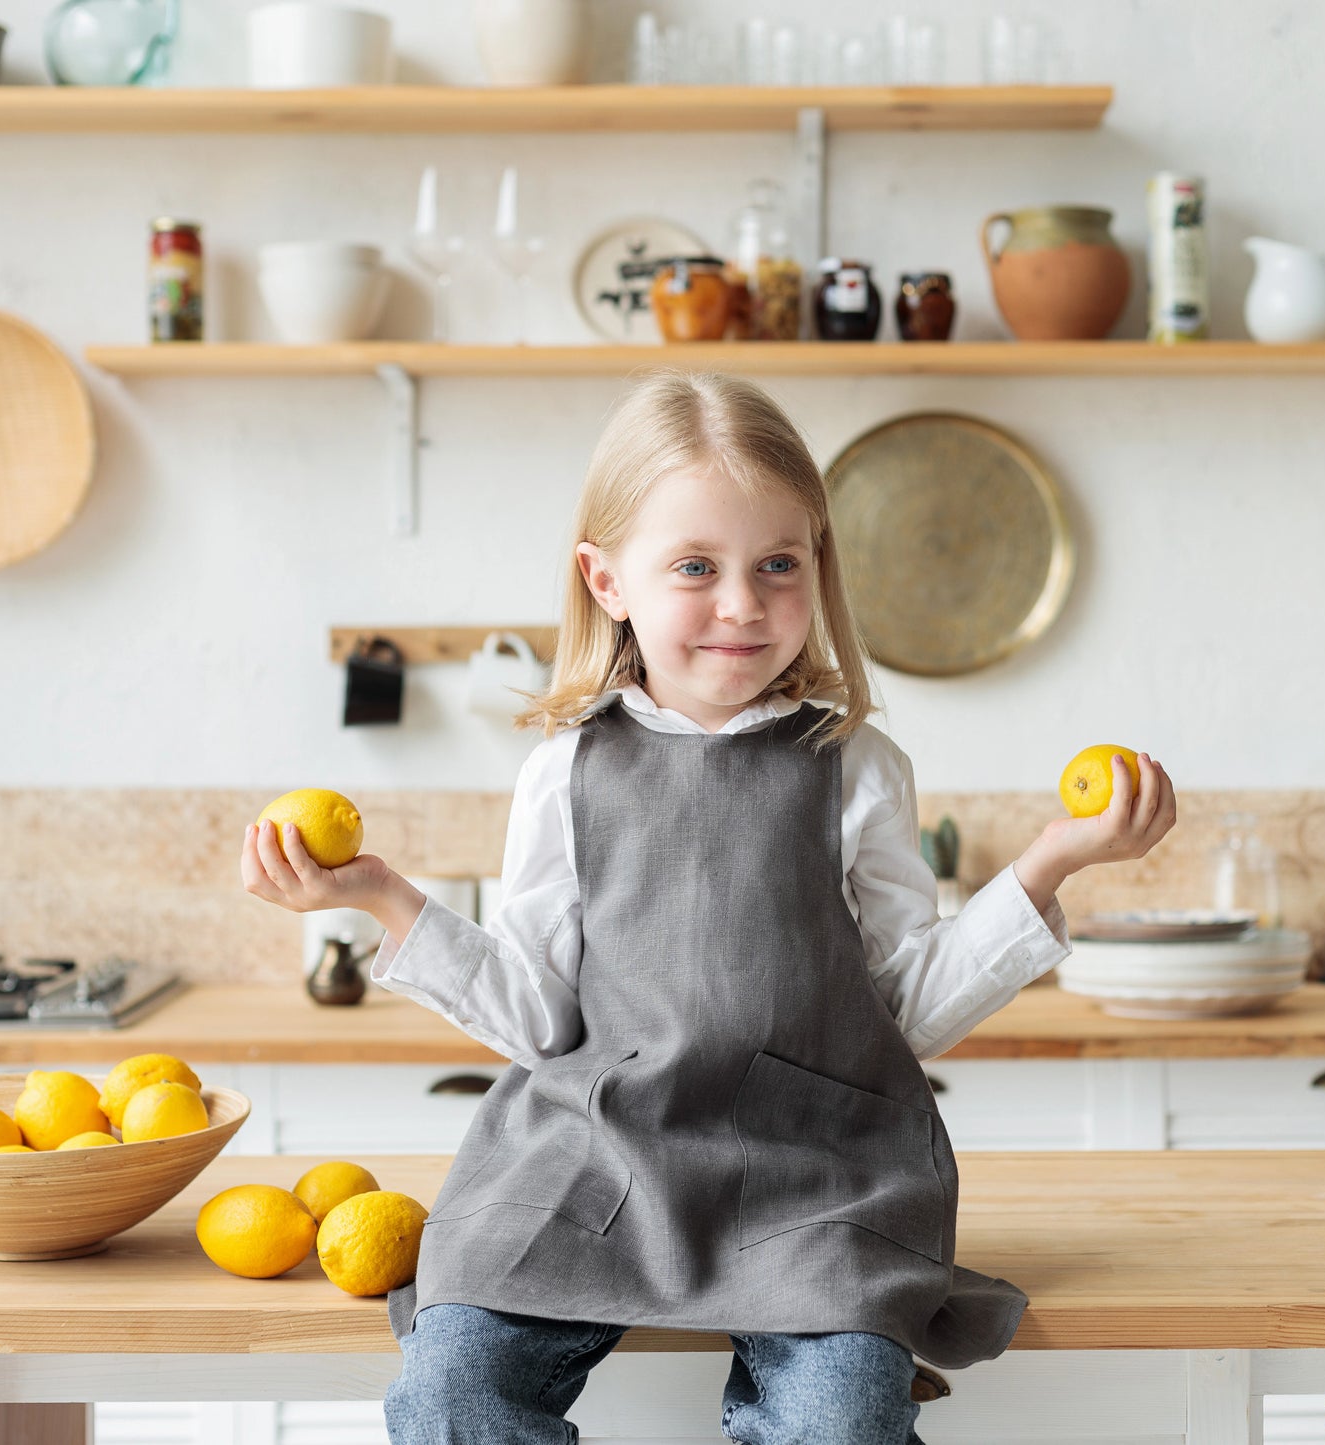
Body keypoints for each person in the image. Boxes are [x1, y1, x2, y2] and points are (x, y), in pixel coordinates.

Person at [242, 370, 1176, 1445]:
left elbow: (901, 1012)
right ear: (606, 579)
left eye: (778, 564)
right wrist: (375, 893)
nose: (742, 602)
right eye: (694, 565)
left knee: (841, 1421)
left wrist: (1048, 865)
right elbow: (540, 1018)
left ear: (816, 570)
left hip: (817, 1172)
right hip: (591, 1156)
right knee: (454, 1390)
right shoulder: (563, 769)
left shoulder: (856, 766)